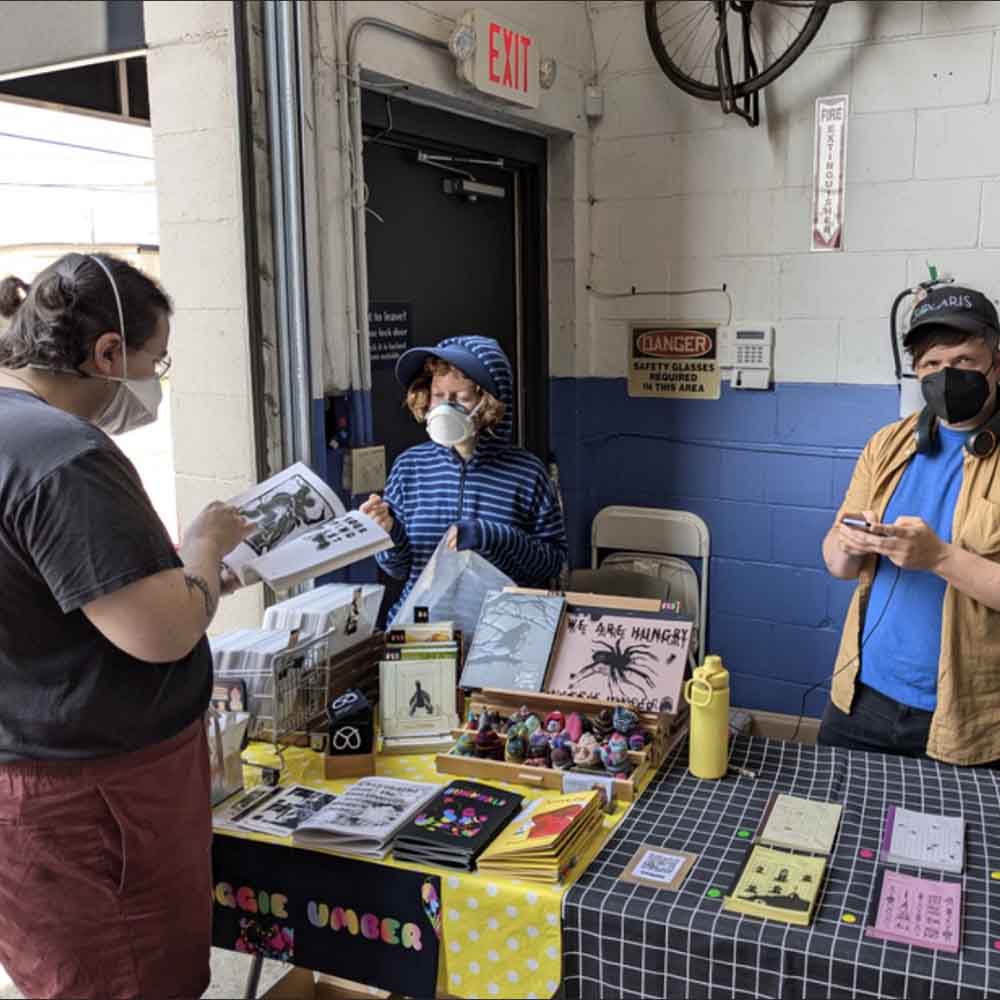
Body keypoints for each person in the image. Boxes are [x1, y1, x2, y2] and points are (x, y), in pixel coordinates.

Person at [0, 252, 253, 999]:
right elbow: (162, 635)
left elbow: (57, 595)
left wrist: (181, 583)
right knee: (134, 979)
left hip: (32, 776)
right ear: (109, 352)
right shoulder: (64, 455)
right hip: (95, 802)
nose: (152, 381)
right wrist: (204, 547)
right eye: (156, 360)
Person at [820, 284, 1000, 765]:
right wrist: (850, 540)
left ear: (995, 364)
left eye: (964, 360)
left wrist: (940, 557)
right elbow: (837, 563)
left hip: (967, 718)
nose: (947, 375)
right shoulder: (887, 445)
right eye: (932, 364)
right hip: (861, 697)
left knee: (961, 839)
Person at [360, 335, 567, 621]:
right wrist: (388, 531)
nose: (445, 408)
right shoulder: (410, 468)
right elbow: (398, 570)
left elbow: (552, 565)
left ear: (489, 403)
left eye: (461, 398)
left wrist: (491, 535)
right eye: (439, 396)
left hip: (501, 631)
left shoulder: (527, 473)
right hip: (423, 629)